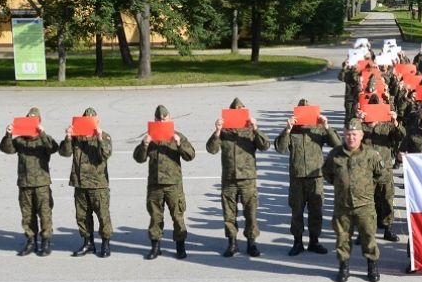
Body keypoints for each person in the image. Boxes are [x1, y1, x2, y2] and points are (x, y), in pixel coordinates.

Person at [274, 99, 340, 256]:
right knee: (296, 211)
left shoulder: (318, 129)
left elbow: (337, 145)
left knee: (316, 210)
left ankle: (314, 241)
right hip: (297, 178)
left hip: (315, 177)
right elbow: (280, 148)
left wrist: (326, 126)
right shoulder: (292, 130)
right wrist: (287, 129)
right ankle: (297, 242)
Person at [322, 118, 385, 282]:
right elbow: (328, 174)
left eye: (354, 134)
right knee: (342, 238)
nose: (351, 138)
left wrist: (366, 188)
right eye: (348, 134)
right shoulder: (335, 154)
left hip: (365, 206)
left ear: (361, 135)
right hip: (342, 205)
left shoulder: (371, 154)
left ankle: (372, 267)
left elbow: (381, 174)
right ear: (344, 135)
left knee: (368, 237)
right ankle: (344, 268)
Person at [206, 97, 269, 257]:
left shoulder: (249, 131)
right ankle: (232, 242)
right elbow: (211, 149)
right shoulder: (224, 132)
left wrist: (255, 129)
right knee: (229, 213)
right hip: (229, 179)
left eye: (241, 112)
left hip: (248, 179)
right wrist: (218, 131)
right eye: (235, 112)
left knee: (251, 213)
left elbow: (265, 145)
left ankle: (251, 243)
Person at [134, 105, 196, 260]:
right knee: (155, 217)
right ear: (154, 119)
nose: (161, 121)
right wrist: (144, 145)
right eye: (158, 119)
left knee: (178, 217)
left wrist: (179, 143)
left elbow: (191, 155)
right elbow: (139, 158)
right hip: (155, 185)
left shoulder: (178, 136)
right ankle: (155, 247)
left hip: (173, 184)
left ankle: (180, 247)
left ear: (170, 118)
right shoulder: (150, 136)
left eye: (164, 118)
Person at [0, 107, 59, 256]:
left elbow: (53, 148)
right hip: (25, 184)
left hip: (41, 184)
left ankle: (45, 242)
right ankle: (31, 241)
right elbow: (6, 149)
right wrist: (8, 134)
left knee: (45, 214)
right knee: (27, 215)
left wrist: (42, 133)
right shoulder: (20, 140)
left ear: (39, 121)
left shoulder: (45, 139)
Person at [60, 106, 113, 257]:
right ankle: (88, 243)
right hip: (80, 183)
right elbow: (64, 152)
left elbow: (106, 154)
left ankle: (105, 243)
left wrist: (99, 137)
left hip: (98, 184)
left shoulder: (105, 136)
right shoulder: (77, 137)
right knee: (82, 216)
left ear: (97, 121)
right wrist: (69, 137)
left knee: (103, 215)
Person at [360, 96, 402, 241]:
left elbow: (401, 138)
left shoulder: (387, 126)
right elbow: (349, 140)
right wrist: (358, 121)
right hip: (366, 171)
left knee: (387, 199)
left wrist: (396, 122)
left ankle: (387, 228)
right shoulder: (361, 126)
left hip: (384, 169)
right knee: (366, 201)